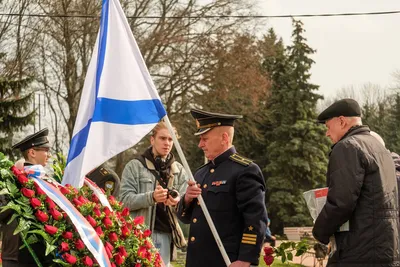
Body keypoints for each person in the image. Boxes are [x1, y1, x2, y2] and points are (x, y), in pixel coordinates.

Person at [312, 99, 399, 266]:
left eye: (328, 127)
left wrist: (320, 231)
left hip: (358, 250)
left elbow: (341, 202)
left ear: (342, 121)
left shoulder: (347, 147)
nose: (327, 134)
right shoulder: (379, 147)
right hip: (386, 249)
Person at [177, 109, 268, 267]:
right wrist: (187, 199)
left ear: (224, 138)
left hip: (227, 261)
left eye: (205, 139)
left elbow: (256, 219)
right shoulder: (200, 173)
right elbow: (186, 218)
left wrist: (245, 259)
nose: (200, 144)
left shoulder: (245, 170)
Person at [118, 121, 188, 266]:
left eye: (171, 139)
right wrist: (151, 197)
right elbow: (123, 201)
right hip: (138, 236)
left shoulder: (179, 171)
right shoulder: (134, 166)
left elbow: (186, 206)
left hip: (167, 236)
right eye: (163, 138)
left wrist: (177, 203)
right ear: (152, 140)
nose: (167, 143)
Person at [0, 128, 54, 266]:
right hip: (16, 256)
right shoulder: (12, 181)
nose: (49, 155)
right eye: (45, 150)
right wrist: (17, 200)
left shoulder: (48, 182)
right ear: (32, 152)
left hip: (42, 256)